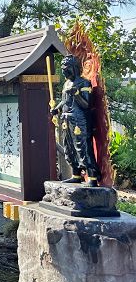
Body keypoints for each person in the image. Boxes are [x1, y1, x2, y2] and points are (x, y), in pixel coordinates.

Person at [50, 55, 100, 186]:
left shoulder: (84, 83)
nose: (64, 71)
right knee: (69, 148)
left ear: (74, 68)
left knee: (82, 148)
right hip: (67, 120)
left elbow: (86, 105)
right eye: (62, 69)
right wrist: (57, 109)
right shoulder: (66, 84)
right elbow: (64, 101)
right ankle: (76, 174)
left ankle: (93, 177)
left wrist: (76, 94)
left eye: (66, 68)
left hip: (80, 121)